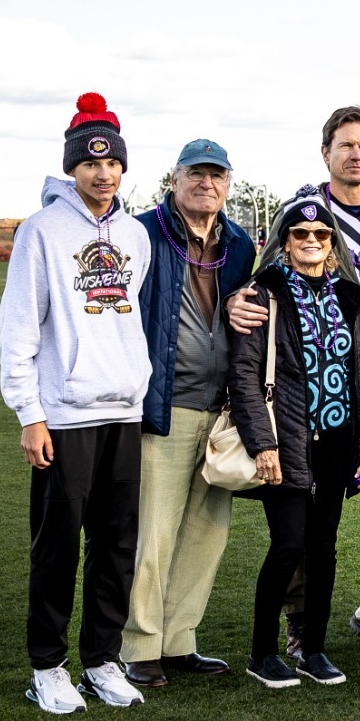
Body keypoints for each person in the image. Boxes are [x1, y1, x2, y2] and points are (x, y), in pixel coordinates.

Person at [0, 92, 154, 713]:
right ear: (73, 167)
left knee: (117, 545)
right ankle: (49, 666)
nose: (103, 173)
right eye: (91, 163)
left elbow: (127, 317)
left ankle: (102, 659)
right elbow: (19, 328)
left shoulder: (136, 235)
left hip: (124, 409)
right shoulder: (41, 231)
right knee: (58, 546)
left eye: (112, 162)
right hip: (65, 415)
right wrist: (29, 414)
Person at [231, 106, 360, 656]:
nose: (356, 155)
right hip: (300, 392)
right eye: (345, 145)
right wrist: (239, 301)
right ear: (326, 151)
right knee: (303, 514)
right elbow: (262, 284)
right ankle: (298, 617)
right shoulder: (298, 214)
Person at [121, 139, 257, 688]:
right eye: (195, 174)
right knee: (152, 530)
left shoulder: (239, 243)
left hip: (220, 409)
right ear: (173, 180)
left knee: (207, 533)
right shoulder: (143, 232)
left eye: (217, 176)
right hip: (164, 404)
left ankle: (179, 641)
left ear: (228, 184)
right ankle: (139, 644)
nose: (207, 184)